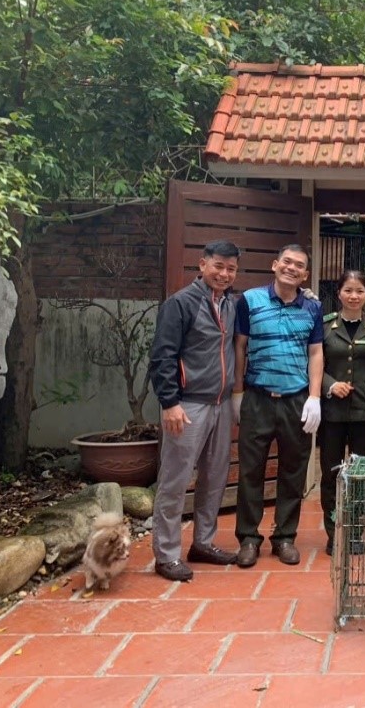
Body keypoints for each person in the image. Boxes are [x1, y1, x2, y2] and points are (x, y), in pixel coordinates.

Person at [147, 240, 242, 582]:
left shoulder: (231, 304)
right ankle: (166, 555)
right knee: (175, 480)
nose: (224, 274)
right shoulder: (180, 304)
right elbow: (162, 355)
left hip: (221, 404)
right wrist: (169, 402)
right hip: (187, 405)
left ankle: (203, 542)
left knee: (214, 478)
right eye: (218, 266)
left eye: (231, 269)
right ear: (202, 265)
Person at [233, 244, 324, 567]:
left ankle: (285, 537)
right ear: (275, 265)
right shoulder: (249, 300)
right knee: (250, 471)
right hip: (257, 398)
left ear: (305, 274)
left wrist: (314, 397)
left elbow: (316, 352)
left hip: (296, 400)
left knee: (293, 471)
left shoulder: (313, 307)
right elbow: (239, 347)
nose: (291, 268)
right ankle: (248, 538)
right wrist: (238, 392)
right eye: (286, 262)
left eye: (298, 265)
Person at [318, 270, 365, 557]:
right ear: (339, 293)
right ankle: (334, 532)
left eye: (359, 291)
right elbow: (313, 362)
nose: (353, 296)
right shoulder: (324, 326)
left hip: (364, 411)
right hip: (331, 411)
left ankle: (355, 532)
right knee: (331, 473)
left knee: (360, 475)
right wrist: (330, 385)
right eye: (348, 290)